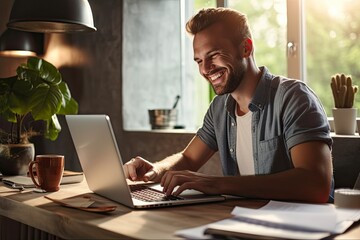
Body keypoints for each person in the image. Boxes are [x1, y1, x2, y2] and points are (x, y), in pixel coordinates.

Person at [124, 7, 333, 203]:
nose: (205, 69)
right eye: (198, 61)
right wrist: (155, 171)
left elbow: (316, 184)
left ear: (246, 48)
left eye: (214, 55)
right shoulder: (219, 108)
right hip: (243, 219)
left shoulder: (294, 98)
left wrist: (217, 184)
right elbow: (188, 158)